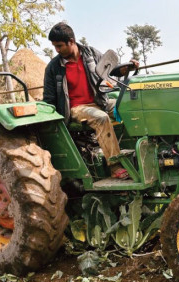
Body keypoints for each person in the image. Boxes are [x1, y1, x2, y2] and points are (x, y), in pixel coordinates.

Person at [43, 22, 139, 180]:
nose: (57, 50)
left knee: (130, 106)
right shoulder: (53, 68)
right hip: (76, 108)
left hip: (99, 101)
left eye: (59, 46)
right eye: (55, 47)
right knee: (101, 117)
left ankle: (140, 152)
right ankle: (114, 165)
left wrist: (127, 67)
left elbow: (111, 70)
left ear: (72, 41)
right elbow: (49, 98)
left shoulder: (91, 53)